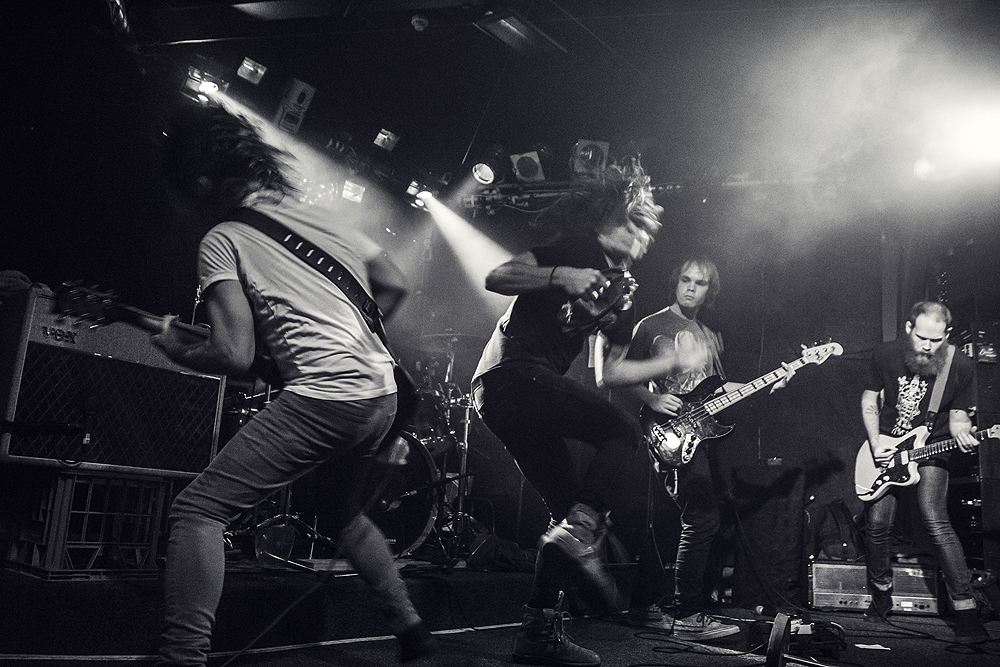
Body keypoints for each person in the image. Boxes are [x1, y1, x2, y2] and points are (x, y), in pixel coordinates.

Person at [152, 101, 436, 665]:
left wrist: (177, 349)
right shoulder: (320, 216)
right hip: (381, 393)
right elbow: (395, 282)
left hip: (327, 398)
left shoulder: (222, 239)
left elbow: (234, 353)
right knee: (339, 510)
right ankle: (412, 632)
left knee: (198, 511)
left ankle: (182, 655)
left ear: (199, 182)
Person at [470, 161, 674, 666]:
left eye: (647, 233)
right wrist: (561, 275)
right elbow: (497, 276)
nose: (642, 239)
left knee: (567, 516)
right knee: (624, 432)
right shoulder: (575, 250)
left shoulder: (623, 293)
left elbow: (612, 373)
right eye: (634, 225)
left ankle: (537, 632)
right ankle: (581, 533)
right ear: (608, 221)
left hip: (520, 395)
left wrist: (669, 362)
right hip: (509, 375)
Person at [600, 255, 792, 641]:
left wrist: (769, 383)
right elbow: (615, 374)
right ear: (676, 282)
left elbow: (716, 389)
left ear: (709, 290)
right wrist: (652, 399)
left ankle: (646, 606)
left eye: (699, 283)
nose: (690, 287)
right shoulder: (650, 325)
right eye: (685, 279)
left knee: (678, 520)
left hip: (697, 438)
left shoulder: (705, 333)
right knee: (700, 519)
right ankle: (685, 612)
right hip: (665, 432)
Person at [860, 301, 989, 644]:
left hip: (931, 445)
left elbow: (959, 416)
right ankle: (881, 592)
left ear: (947, 334)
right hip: (887, 446)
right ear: (908, 328)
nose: (928, 346)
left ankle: (966, 611)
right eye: (921, 338)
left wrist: (963, 432)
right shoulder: (885, 354)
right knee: (877, 524)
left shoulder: (960, 365)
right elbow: (870, 400)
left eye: (936, 339)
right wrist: (875, 441)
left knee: (934, 517)